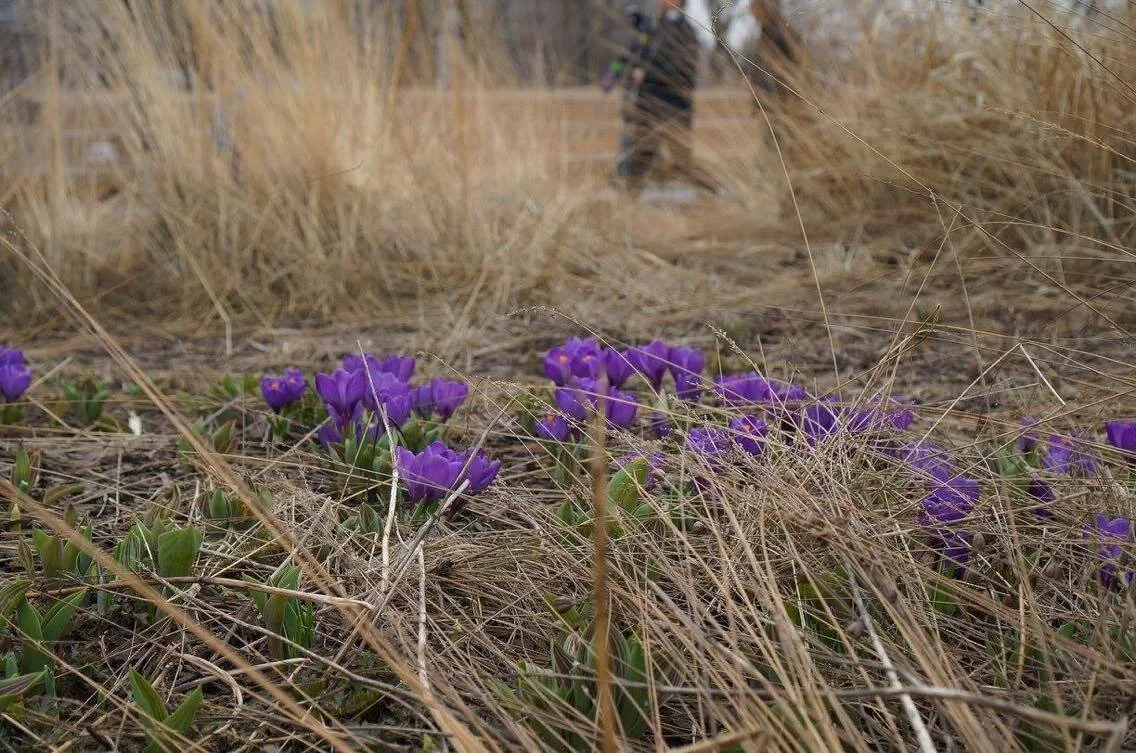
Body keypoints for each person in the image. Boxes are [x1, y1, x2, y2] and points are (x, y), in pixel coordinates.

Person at [605, 0, 716, 196]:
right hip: (649, 105)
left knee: (682, 161)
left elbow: (683, 71)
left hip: (673, 107)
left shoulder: (685, 31)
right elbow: (635, 53)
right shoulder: (655, 28)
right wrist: (619, 77)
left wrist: (646, 74)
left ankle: (710, 192)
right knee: (641, 155)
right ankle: (627, 199)